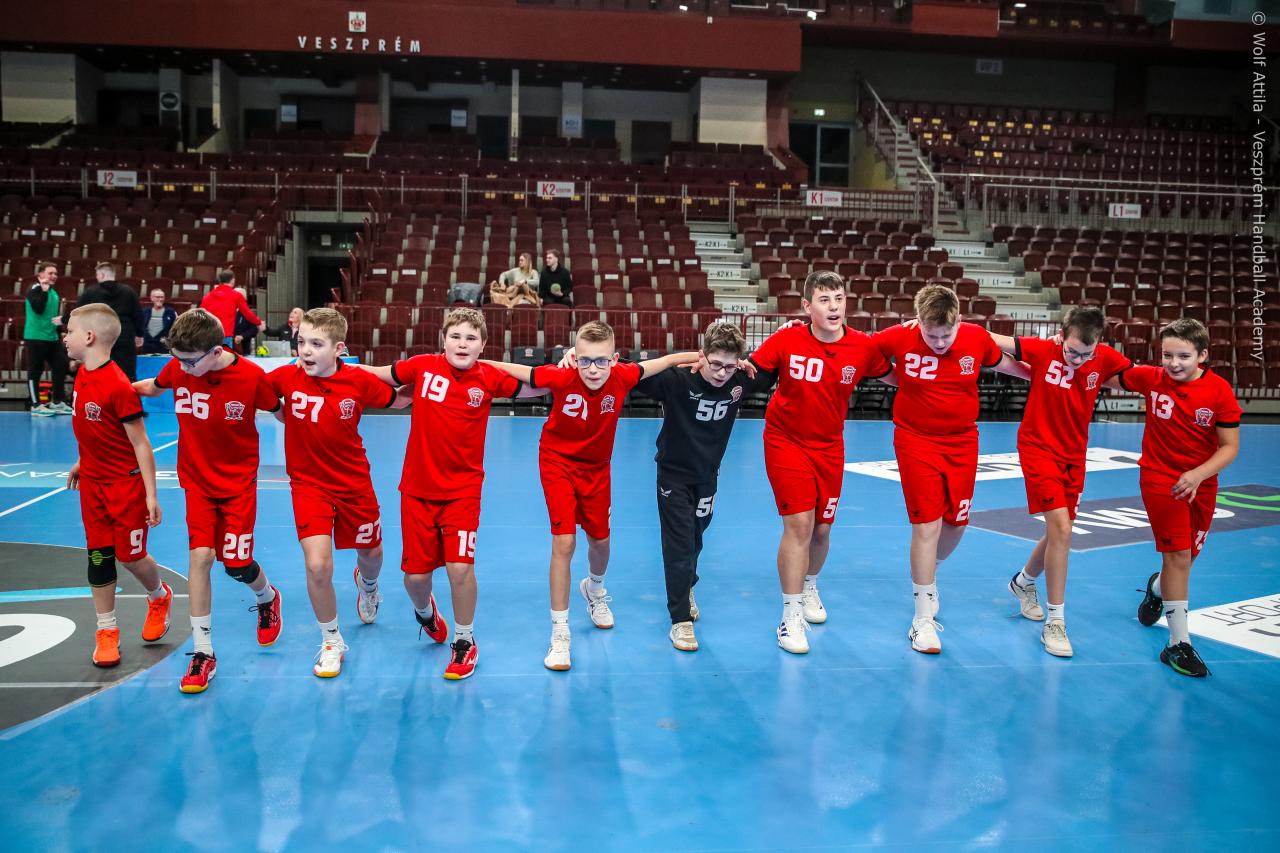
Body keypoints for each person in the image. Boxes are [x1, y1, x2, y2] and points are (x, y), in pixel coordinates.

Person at [487, 320, 699, 671]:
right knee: (564, 542)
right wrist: (477, 361)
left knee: (600, 541)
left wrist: (702, 356)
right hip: (556, 462)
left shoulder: (624, 376)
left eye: (601, 361)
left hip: (597, 470)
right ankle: (560, 633)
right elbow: (519, 371)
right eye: (585, 360)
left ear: (614, 359)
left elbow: (664, 362)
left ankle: (595, 589)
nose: (593, 369)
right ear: (575, 357)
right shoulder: (561, 376)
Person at [364, 307, 546, 681]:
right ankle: (426, 613)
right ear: (443, 340)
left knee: (460, 568)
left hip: (463, 491)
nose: (462, 344)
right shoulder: (422, 367)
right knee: (416, 579)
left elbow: (538, 385)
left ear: (483, 345)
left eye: (471, 338)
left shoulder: (489, 377)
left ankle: (464, 640)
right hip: (417, 490)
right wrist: (334, 365)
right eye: (456, 336)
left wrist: (570, 367)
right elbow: (377, 374)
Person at [133, 308, 284, 694]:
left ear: (217, 351)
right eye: (177, 359)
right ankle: (203, 652)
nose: (182, 368)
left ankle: (267, 596)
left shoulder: (251, 377)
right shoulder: (180, 365)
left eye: (189, 361)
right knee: (200, 558)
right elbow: (153, 386)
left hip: (237, 485)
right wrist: (116, 389)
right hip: (197, 482)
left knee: (236, 564)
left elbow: (281, 412)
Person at [872, 284, 1028, 655]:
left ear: (958, 321)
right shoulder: (898, 336)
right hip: (914, 439)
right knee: (926, 524)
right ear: (917, 322)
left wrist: (1055, 374)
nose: (940, 343)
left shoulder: (975, 338)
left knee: (957, 523)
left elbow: (1010, 365)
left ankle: (930, 570)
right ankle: (922, 616)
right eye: (931, 336)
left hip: (962, 441)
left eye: (946, 334)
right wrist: (895, 377)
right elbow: (858, 352)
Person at [744, 271, 893, 654]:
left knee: (822, 530)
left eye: (839, 298)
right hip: (785, 441)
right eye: (825, 300)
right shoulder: (787, 338)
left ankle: (809, 585)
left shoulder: (861, 346)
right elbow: (751, 372)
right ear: (808, 306)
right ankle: (790, 616)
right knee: (799, 525)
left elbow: (895, 374)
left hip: (829, 446)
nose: (834, 306)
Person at [266, 307, 405, 678]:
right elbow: (259, 393)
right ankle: (331, 640)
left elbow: (399, 399)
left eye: (316, 344)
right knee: (317, 565)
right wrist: (279, 411)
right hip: (308, 485)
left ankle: (368, 585)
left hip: (353, 483)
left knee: (372, 553)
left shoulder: (358, 381)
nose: (305, 351)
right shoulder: (285, 377)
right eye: (301, 342)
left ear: (339, 348)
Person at [989, 306, 1131, 658]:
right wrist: (946, 324)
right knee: (1063, 531)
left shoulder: (1104, 358)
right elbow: (991, 339)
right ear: (1061, 335)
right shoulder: (1043, 349)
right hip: (1038, 449)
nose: (1078, 359)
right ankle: (1056, 622)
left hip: (1074, 456)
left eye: (1086, 354)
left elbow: (1139, 377)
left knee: (1058, 532)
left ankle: (1023, 583)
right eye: (1072, 351)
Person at [634, 320, 775, 652]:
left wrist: (790, 329)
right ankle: (680, 620)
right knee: (679, 544)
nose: (722, 373)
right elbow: (629, 373)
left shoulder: (740, 380)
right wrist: (677, 358)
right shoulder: (678, 380)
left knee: (696, 538)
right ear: (703, 356)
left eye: (730, 365)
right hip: (673, 475)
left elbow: (775, 364)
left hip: (708, 476)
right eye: (716, 364)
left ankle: (687, 586)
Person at [1119, 318, 1241, 677]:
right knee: (1178, 556)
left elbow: (1229, 447)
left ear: (1202, 355)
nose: (1173, 363)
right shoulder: (1151, 378)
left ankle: (1157, 588)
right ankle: (1177, 644)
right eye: (1167, 355)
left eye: (1183, 356)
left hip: (1201, 483)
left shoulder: (1219, 391)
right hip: (1160, 480)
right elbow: (1107, 372)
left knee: (1185, 561)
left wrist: (1199, 474)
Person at [62, 303, 170, 668]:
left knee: (130, 556)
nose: (65, 337)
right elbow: (93, 428)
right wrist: (84, 460)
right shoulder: (82, 374)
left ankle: (158, 595)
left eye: (70, 331)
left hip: (125, 487)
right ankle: (106, 629)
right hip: (93, 485)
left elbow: (141, 443)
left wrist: (151, 495)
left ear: (89, 337)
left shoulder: (118, 386)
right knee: (98, 557)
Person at [78, 262, 142, 380]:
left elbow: (79, 313)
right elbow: (138, 314)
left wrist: (64, 320)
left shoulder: (91, 292)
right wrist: (140, 334)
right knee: (127, 374)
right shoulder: (128, 291)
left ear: (102, 275)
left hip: (100, 337)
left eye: (97, 275)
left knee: (98, 373)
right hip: (124, 336)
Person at [25, 261, 70, 416]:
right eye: (50, 273)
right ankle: (35, 405)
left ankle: (57, 402)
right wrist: (43, 291)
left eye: (55, 273)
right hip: (36, 337)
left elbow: (51, 317)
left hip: (51, 337)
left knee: (61, 365)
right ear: (40, 275)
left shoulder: (53, 293)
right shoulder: (34, 289)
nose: (54, 276)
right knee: (35, 371)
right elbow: (38, 309)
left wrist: (59, 331)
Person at [201, 271, 265, 348]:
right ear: (232, 280)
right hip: (226, 335)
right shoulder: (236, 295)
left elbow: (201, 315)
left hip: (210, 336)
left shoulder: (207, 297)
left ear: (220, 280)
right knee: (226, 356)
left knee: (211, 356)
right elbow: (247, 312)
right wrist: (259, 322)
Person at [137, 288, 176, 355]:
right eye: (157, 297)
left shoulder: (171, 312)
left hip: (163, 346)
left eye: (162, 297)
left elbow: (174, 329)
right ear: (152, 298)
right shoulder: (145, 312)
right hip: (147, 345)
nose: (160, 299)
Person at [232, 287, 260, 355]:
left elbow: (254, 330)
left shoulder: (249, 313)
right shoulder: (227, 311)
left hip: (243, 349)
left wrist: (242, 336)